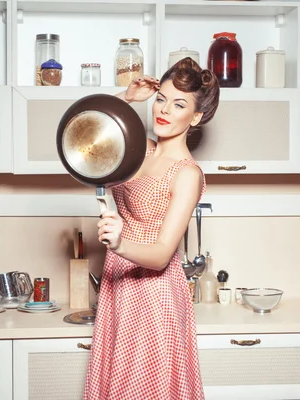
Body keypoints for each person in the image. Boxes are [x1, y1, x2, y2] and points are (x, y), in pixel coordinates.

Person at [83, 57, 220, 400]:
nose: (164, 110)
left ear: (197, 117)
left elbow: (161, 256)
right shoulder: (140, 152)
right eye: (162, 99)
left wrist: (120, 244)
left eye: (179, 104)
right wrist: (125, 99)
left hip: (154, 293)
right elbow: (85, 135)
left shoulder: (187, 174)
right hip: (118, 284)